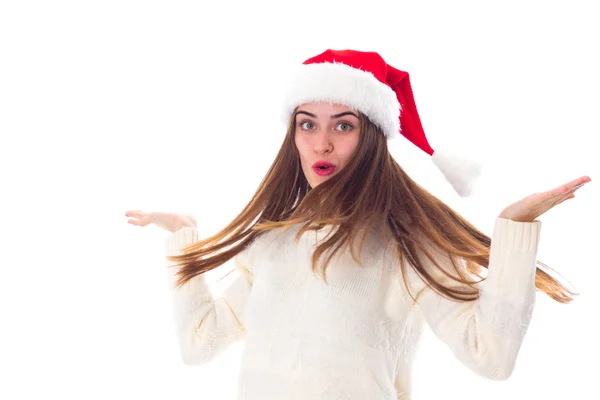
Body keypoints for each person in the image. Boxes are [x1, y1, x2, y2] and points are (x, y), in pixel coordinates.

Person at [125, 49, 591, 399]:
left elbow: (490, 357)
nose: (321, 144)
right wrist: (183, 237)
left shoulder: (407, 245)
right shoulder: (273, 242)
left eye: (343, 126)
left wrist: (513, 230)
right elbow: (199, 344)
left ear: (371, 136)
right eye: (307, 124)